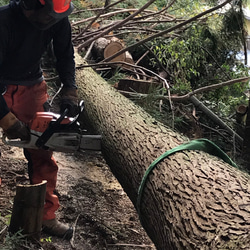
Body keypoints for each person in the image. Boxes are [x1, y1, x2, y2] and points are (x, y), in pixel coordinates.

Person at [0, 0, 78, 240]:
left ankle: (45, 216)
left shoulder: (58, 17)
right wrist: (7, 120)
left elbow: (65, 53)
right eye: (46, 15)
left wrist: (69, 88)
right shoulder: (3, 21)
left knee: (42, 150)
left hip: (31, 86)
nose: (49, 20)